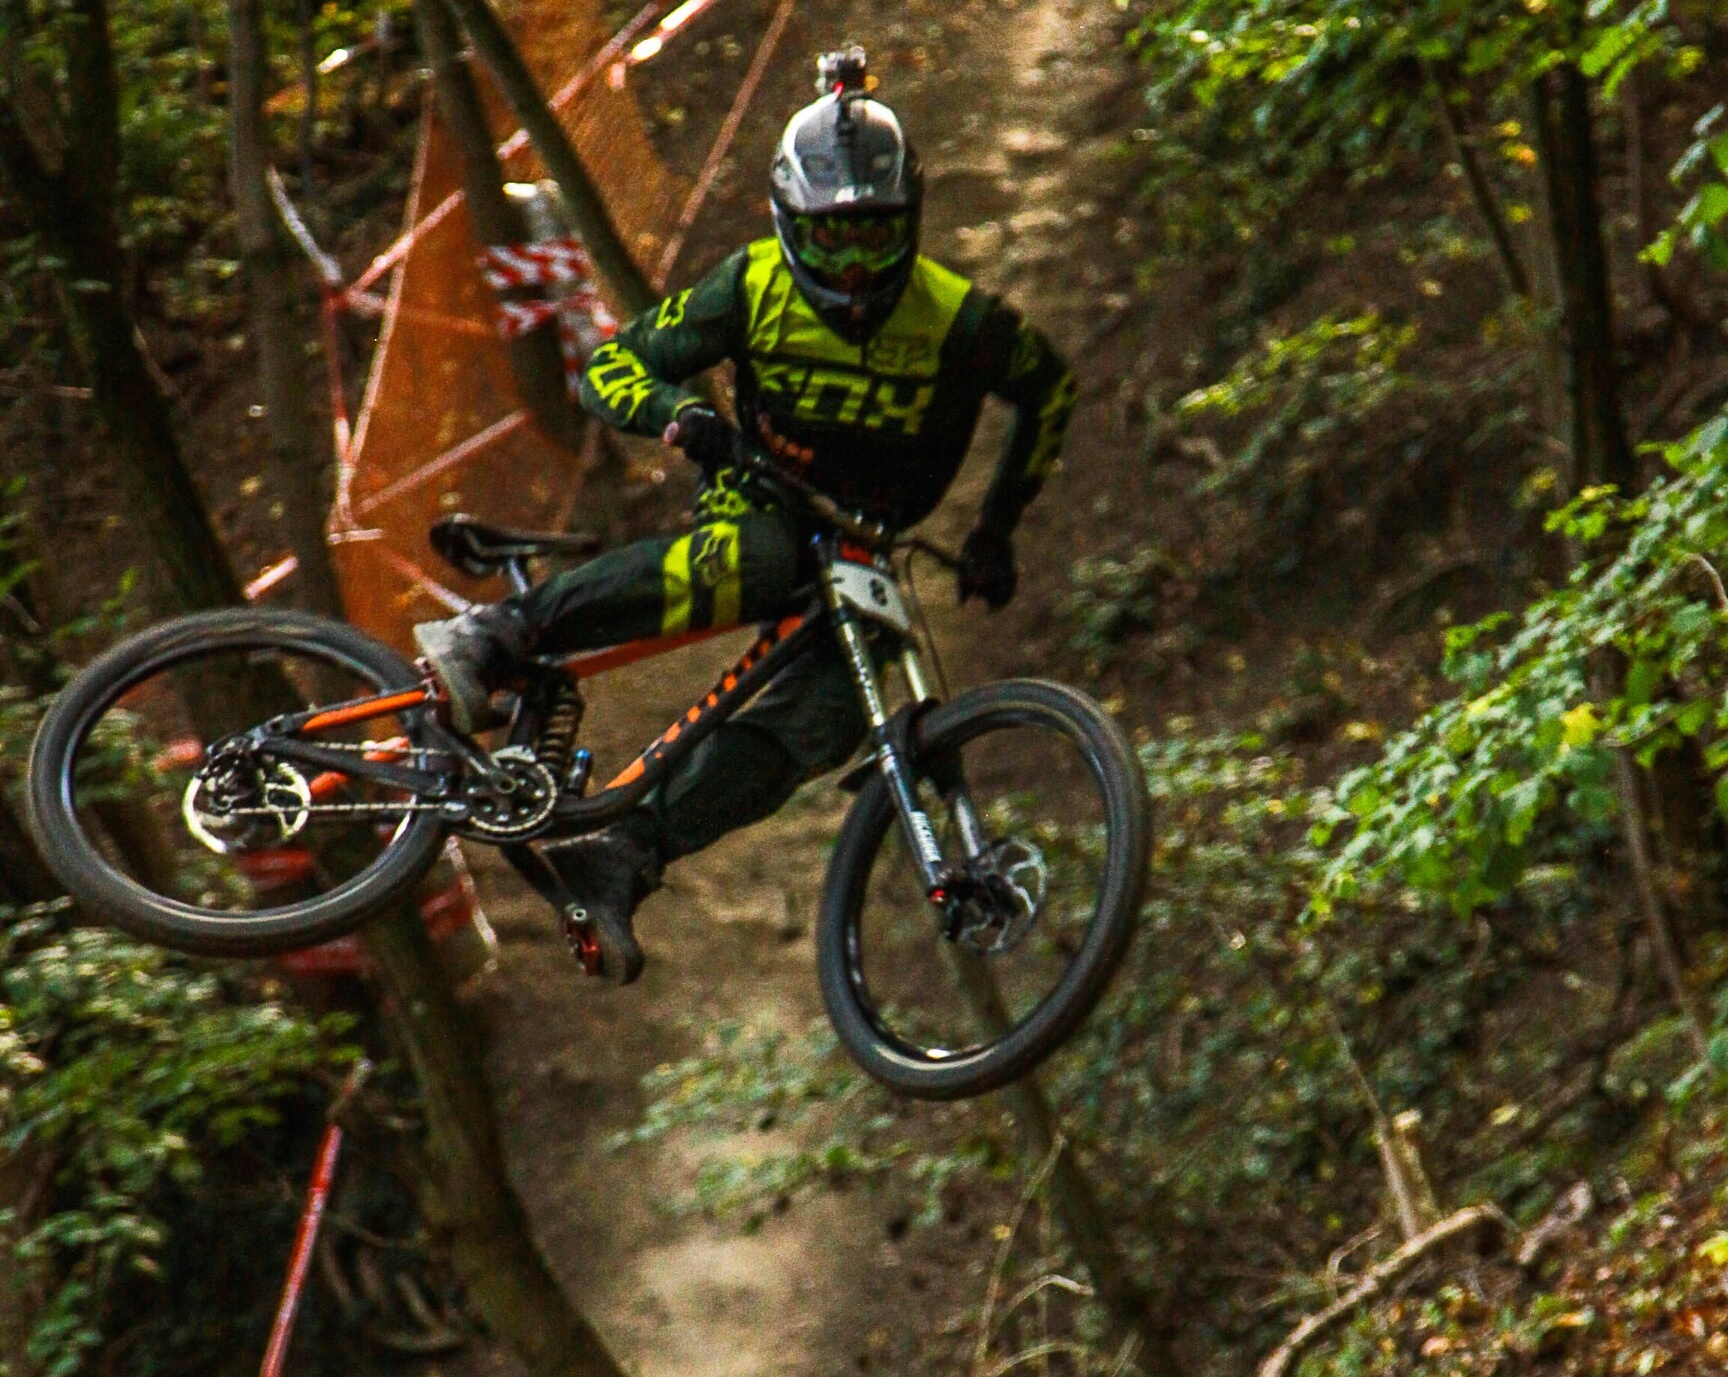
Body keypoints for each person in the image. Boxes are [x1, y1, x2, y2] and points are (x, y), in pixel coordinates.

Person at [413, 48, 1077, 984]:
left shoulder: (958, 319)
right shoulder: (754, 285)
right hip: (759, 501)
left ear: (912, 226)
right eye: (831, 240)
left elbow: (1050, 391)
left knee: (836, 712)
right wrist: (679, 416)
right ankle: (496, 634)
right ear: (787, 224)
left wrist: (997, 526)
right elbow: (610, 366)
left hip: (864, 540)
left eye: (875, 239)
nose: (852, 267)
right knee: (756, 556)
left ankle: (621, 855)